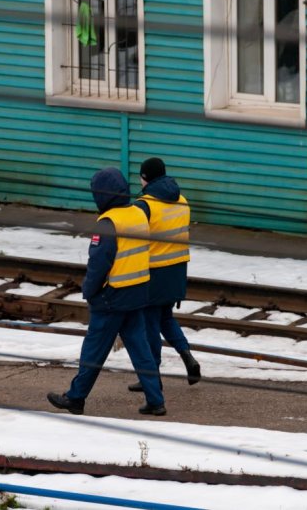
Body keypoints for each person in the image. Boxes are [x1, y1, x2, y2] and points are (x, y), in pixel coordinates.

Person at [47, 167, 166, 416]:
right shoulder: (138, 213)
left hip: (112, 297)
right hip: (138, 292)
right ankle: (156, 400)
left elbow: (99, 265)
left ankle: (76, 398)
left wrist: (89, 292)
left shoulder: (109, 223)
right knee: (140, 348)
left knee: (94, 350)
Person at [127, 157, 200, 392]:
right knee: (165, 318)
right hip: (177, 270)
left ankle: (152, 377)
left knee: (149, 324)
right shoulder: (182, 200)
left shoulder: (144, 205)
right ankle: (188, 356)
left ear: (145, 177)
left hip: (154, 273)